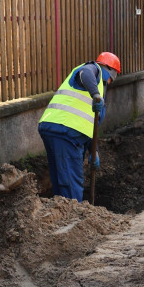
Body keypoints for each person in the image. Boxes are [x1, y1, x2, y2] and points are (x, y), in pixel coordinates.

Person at [37, 52, 120, 202]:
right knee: (70, 181)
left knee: (60, 178)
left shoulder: (98, 87)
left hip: (56, 128)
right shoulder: (93, 69)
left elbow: (88, 125)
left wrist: (94, 151)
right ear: (109, 70)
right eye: (110, 79)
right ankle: (74, 218)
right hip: (65, 131)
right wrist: (95, 94)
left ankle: (61, 214)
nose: (109, 82)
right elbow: (85, 74)